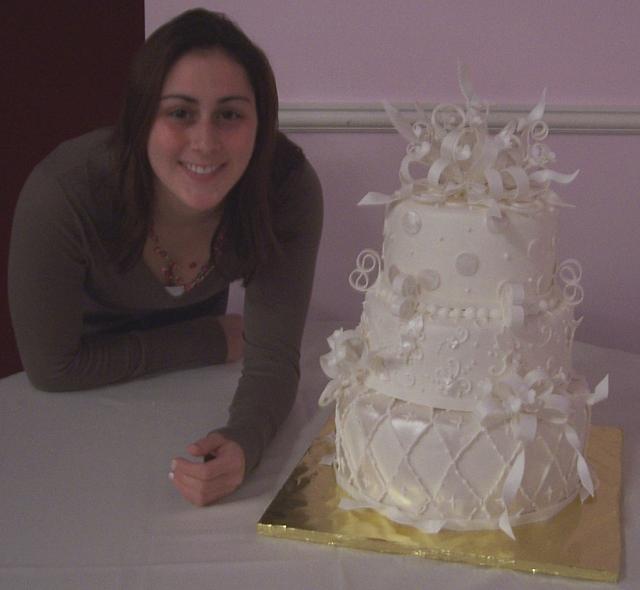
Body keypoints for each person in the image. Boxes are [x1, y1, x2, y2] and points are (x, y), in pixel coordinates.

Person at [8, 9, 323, 507]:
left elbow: (273, 361)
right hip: (72, 404)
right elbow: (53, 369)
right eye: (179, 112)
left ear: (260, 123)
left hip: (189, 393)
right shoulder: (64, 192)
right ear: (140, 118)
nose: (205, 141)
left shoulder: (286, 189)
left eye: (230, 114)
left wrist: (244, 441)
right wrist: (206, 338)